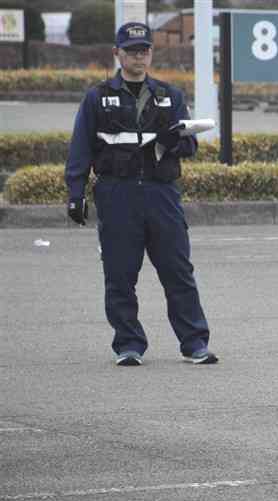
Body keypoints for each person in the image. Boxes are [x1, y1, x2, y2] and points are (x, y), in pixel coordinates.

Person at [64, 22, 218, 367]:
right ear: (117, 53)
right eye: (132, 50)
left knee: (178, 271)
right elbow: (80, 149)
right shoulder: (97, 97)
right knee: (120, 274)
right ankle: (128, 344)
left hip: (161, 193)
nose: (139, 56)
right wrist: (75, 193)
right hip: (116, 195)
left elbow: (190, 145)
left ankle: (195, 344)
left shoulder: (170, 95)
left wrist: (174, 139)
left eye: (144, 50)